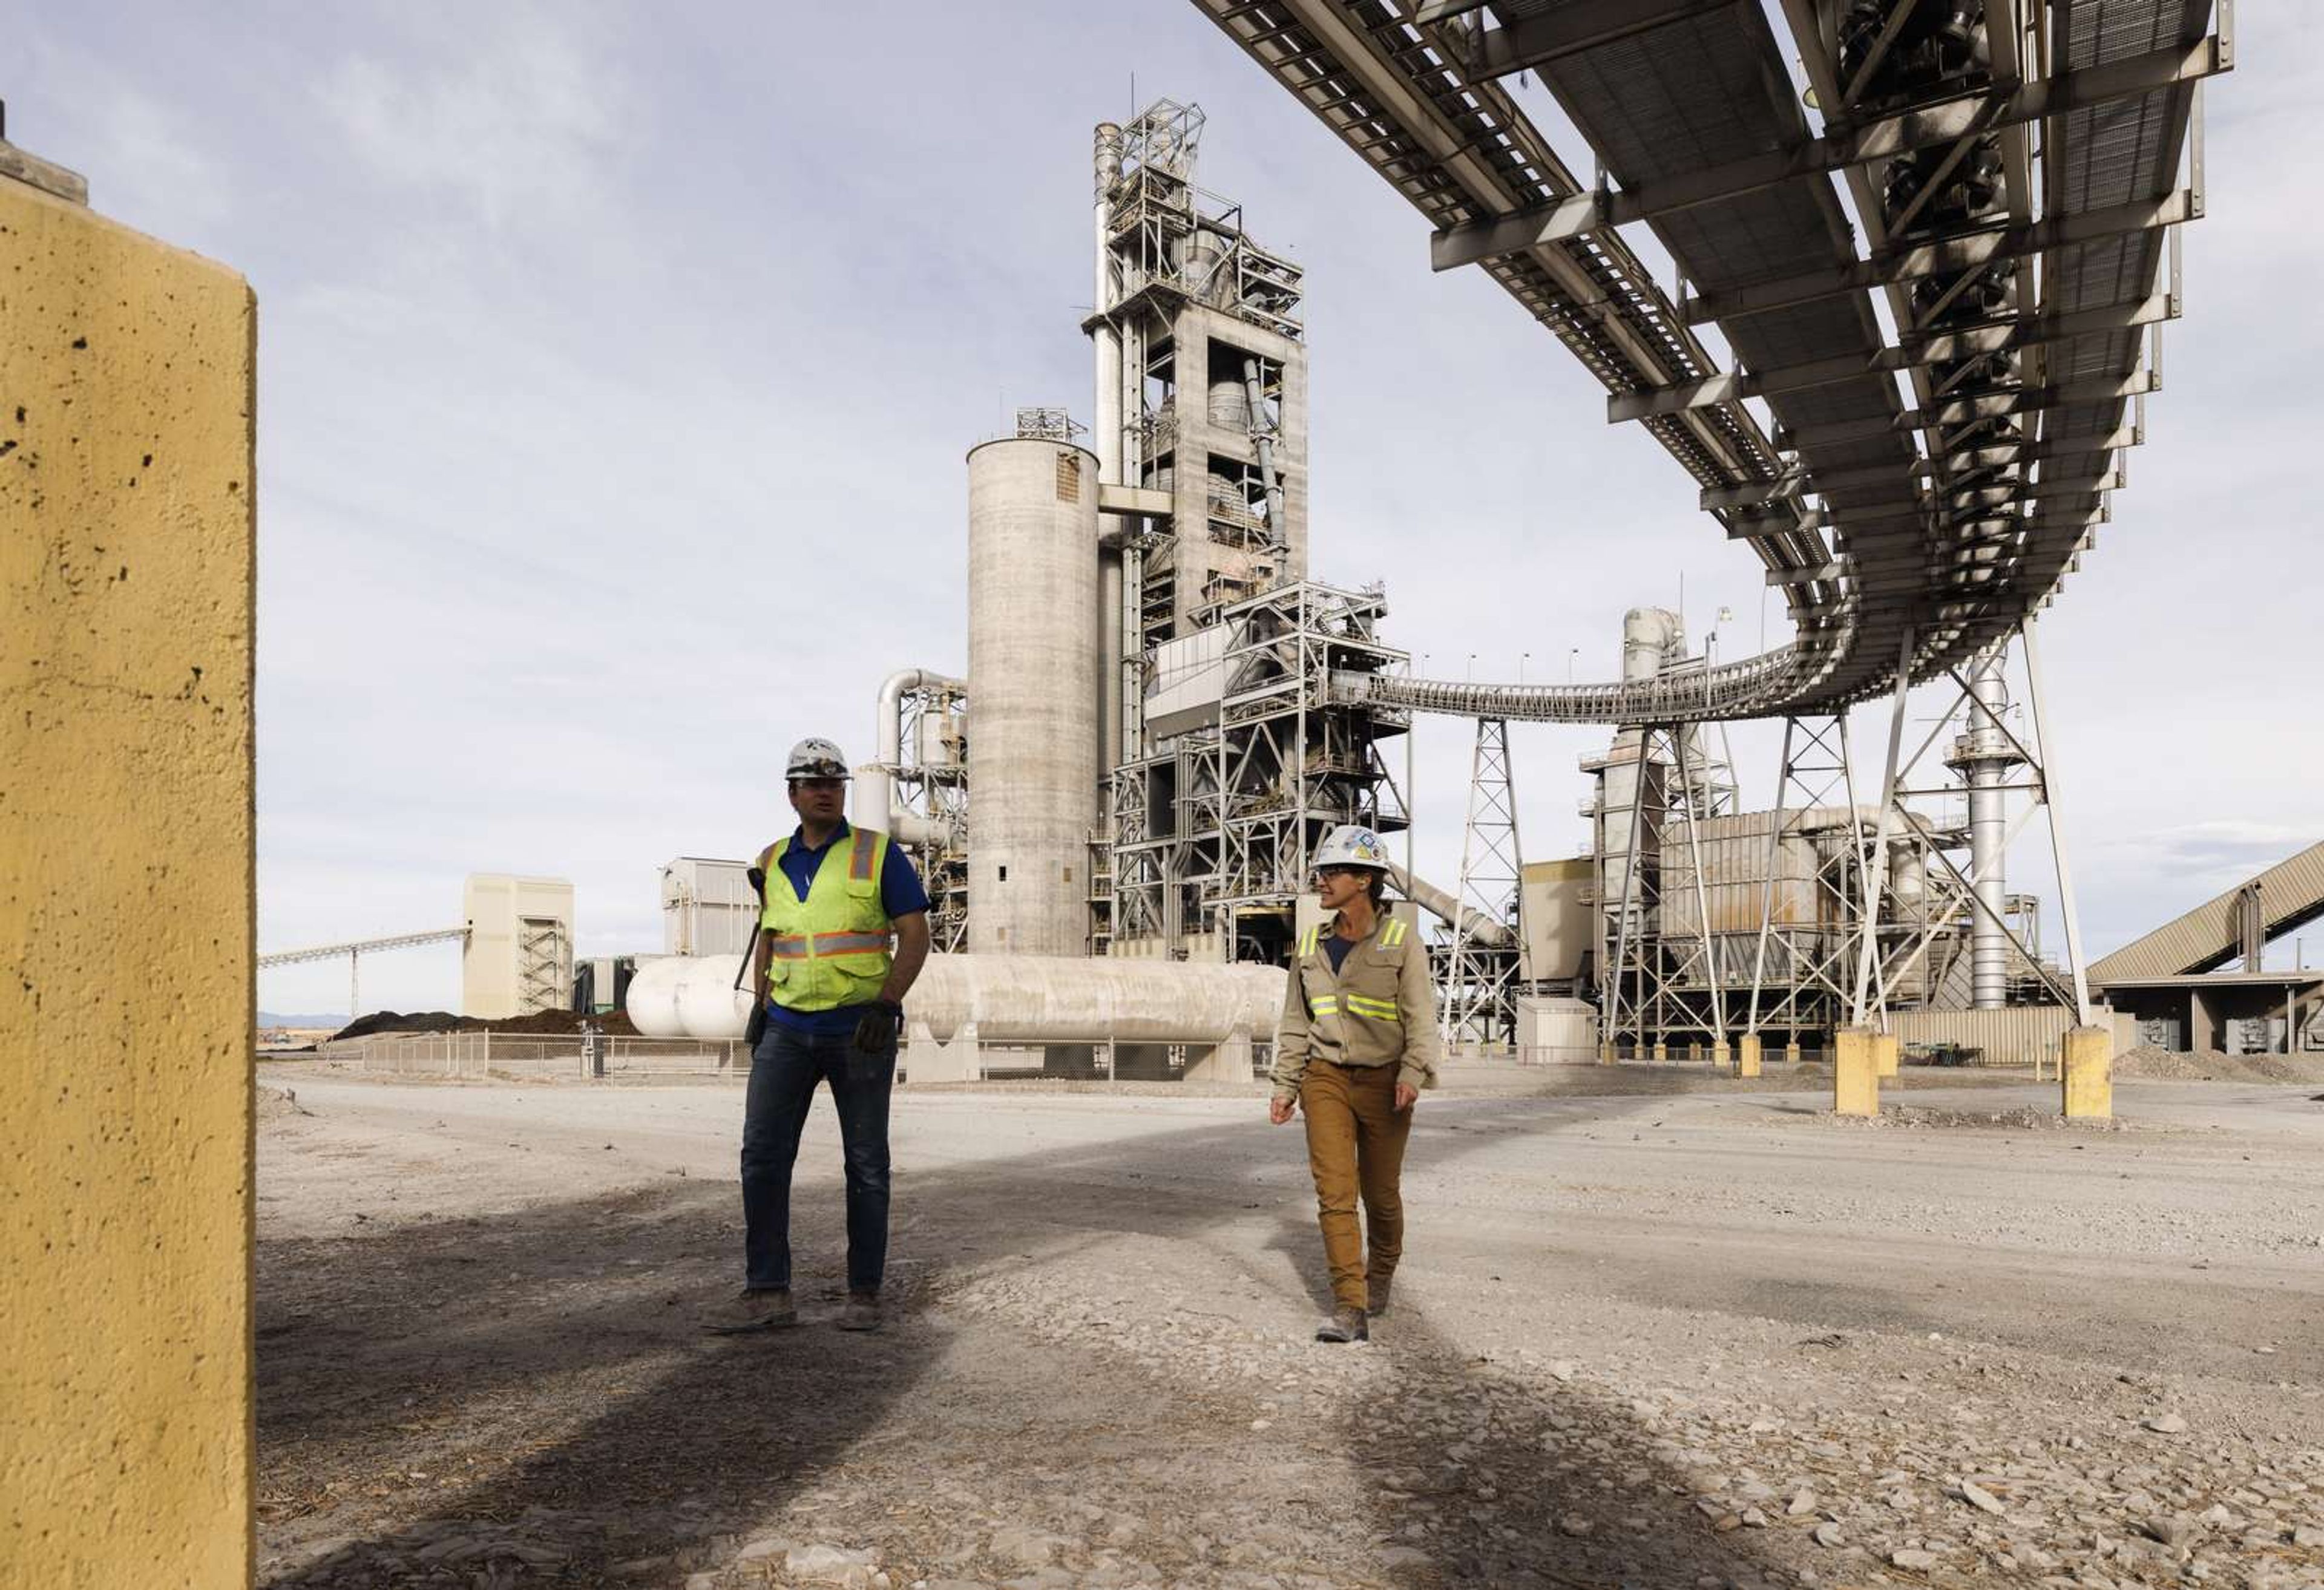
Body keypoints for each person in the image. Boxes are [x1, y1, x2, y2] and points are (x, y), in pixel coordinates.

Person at [706, 737, 931, 1335]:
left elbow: (915, 934)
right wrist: (760, 1006)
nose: (826, 791)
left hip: (859, 1029)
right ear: (793, 794)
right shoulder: (772, 859)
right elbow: (772, 937)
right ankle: (768, 1292)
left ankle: (864, 1294)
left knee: (866, 1163)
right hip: (786, 1027)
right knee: (762, 1159)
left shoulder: (877, 854)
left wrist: (888, 1004)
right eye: (813, 783)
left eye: (835, 783)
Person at [1267, 823, 1440, 1343]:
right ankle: (1350, 1307)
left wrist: (1412, 1073)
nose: (1320, 880)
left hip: (1386, 1082)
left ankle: (1380, 1273)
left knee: (1380, 1194)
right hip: (1324, 1080)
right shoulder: (1308, 945)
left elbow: (1421, 1017)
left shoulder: (1400, 940)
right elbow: (1296, 1021)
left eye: (1332, 871)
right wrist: (1284, 1084)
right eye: (1320, 871)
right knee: (1335, 1194)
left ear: (1364, 880)